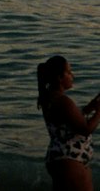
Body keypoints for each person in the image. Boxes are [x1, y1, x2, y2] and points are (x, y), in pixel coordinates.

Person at [38, 56, 100, 188]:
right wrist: (99, 113)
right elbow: (86, 129)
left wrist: (90, 108)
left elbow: (68, 121)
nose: (73, 75)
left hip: (59, 159)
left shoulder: (49, 98)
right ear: (60, 78)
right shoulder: (63, 101)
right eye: (69, 72)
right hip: (70, 162)